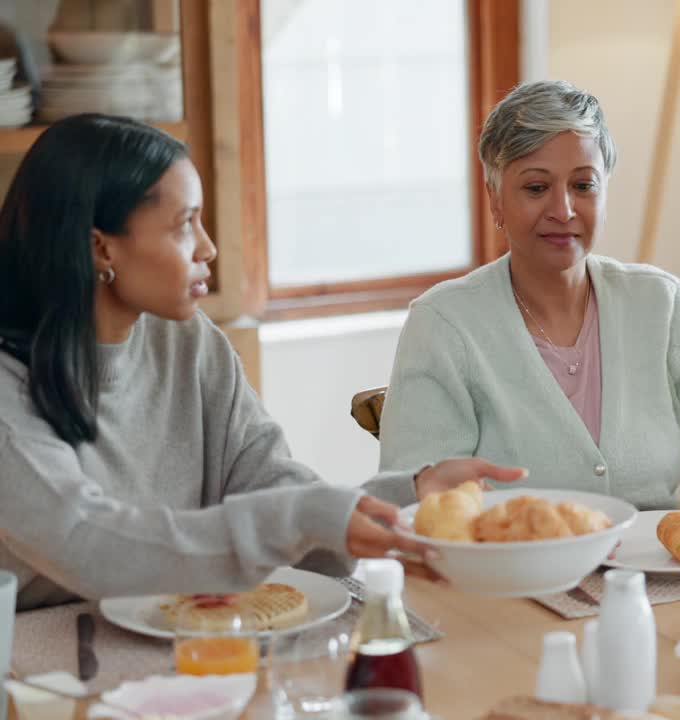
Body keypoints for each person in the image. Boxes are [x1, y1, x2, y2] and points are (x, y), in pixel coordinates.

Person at [0, 114, 522, 610]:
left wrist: (407, 496)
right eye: (184, 225)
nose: (208, 247)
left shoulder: (188, 340)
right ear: (100, 248)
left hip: (183, 633)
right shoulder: (8, 385)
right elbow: (87, 543)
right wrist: (300, 517)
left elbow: (274, 488)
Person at [378, 80, 680, 529]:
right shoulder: (443, 324)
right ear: (496, 200)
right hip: (506, 596)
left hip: (656, 584)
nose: (563, 210)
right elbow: (420, 498)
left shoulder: (659, 303)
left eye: (583, 186)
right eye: (536, 188)